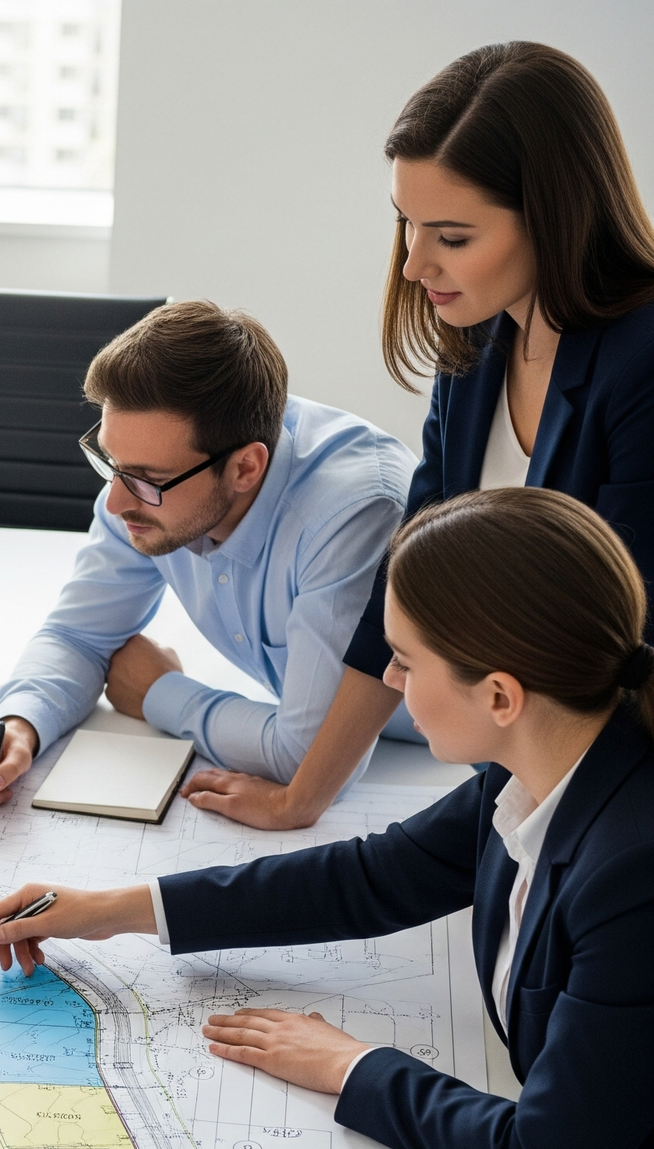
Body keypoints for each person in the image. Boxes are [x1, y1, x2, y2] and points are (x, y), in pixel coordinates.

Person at [0, 489, 654, 1149]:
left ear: (501, 695)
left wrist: (347, 1064)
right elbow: (372, 877)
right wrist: (113, 909)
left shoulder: (632, 873)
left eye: (406, 660)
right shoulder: (538, 767)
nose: (390, 683)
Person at [185, 41, 654, 831]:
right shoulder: (475, 350)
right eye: (406, 225)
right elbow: (407, 588)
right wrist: (308, 793)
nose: (413, 265)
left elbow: (625, 647)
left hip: (610, 794)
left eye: (453, 237)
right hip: (522, 779)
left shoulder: (641, 366)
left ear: (555, 217)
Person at [0, 301, 415, 809]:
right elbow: (79, 634)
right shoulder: (144, 481)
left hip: (428, 765)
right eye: (111, 462)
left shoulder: (351, 514)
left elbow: (309, 757)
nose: (115, 502)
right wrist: (20, 722)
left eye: (149, 479)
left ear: (245, 468)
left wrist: (160, 692)